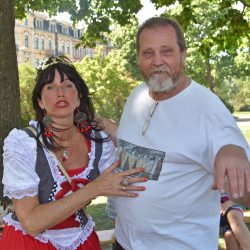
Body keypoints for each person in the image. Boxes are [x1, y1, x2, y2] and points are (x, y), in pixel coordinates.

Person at [101, 17, 250, 250]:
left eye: (167, 51)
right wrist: (107, 126)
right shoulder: (138, 95)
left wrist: (234, 153)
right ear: (138, 57)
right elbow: (143, 149)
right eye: (148, 53)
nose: (157, 61)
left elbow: (244, 189)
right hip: (125, 242)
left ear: (183, 54)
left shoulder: (208, 110)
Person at [0, 56, 147, 250]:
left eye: (68, 85)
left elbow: (141, 159)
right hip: (29, 244)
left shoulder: (98, 143)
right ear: (41, 102)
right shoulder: (23, 144)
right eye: (50, 87)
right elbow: (31, 223)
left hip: (82, 242)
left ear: (78, 97)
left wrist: (96, 119)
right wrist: (95, 188)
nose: (60, 92)